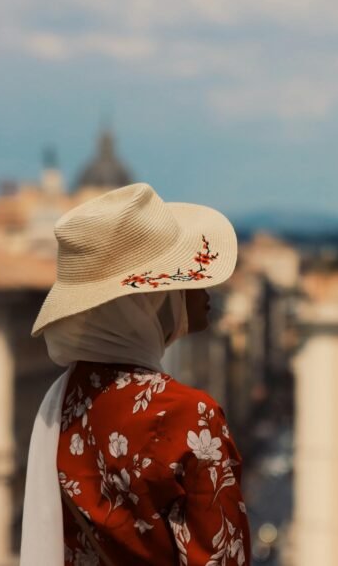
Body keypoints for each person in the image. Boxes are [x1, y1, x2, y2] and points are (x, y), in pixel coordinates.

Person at [21, 183, 251, 565]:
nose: (207, 285)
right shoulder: (188, 415)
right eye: (187, 277)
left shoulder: (63, 401)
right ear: (151, 298)